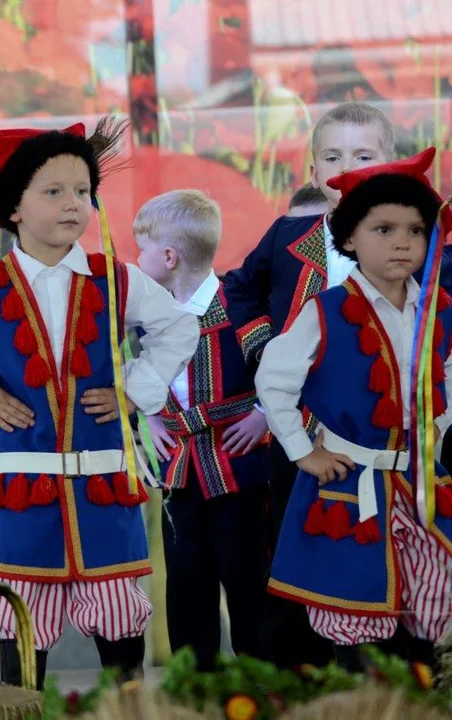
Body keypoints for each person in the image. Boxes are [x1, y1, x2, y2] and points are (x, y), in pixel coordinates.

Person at [0, 121, 199, 687]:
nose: (73, 204)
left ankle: (126, 707)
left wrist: (132, 390)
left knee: (119, 629)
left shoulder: (115, 278)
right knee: (23, 631)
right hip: (22, 494)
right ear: (14, 208)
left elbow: (178, 329)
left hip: (103, 492)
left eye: (83, 192)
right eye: (54, 191)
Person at [257, 148, 452, 672]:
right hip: (352, 486)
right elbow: (273, 382)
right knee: (358, 620)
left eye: (415, 229)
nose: (402, 241)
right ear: (349, 239)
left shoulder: (438, 307)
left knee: (432, 610)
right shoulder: (326, 311)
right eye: (383, 229)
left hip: (422, 483)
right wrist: (303, 452)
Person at [222, 101, 396, 666]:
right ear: (314, 171)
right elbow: (239, 289)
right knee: (293, 542)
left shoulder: (413, 244)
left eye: (364, 156)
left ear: (391, 164)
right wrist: (265, 347)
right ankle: (294, 675)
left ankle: (388, 673)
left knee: (382, 539)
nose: (347, 168)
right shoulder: (289, 236)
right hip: (298, 429)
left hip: (382, 432)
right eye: (333, 156)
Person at [135, 190, 270, 671]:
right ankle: (196, 685)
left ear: (169, 257)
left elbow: (280, 369)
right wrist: (148, 418)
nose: (136, 260)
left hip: (240, 467)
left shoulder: (240, 304)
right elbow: (138, 376)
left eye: (141, 249)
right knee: (187, 581)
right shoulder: (149, 314)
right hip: (179, 471)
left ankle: (262, 684)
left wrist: (264, 414)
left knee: (247, 577)